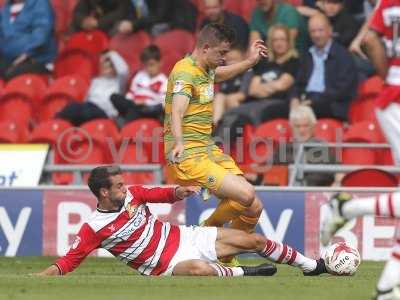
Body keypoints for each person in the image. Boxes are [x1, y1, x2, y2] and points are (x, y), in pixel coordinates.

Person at [35, 165, 328, 277]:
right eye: (119, 186)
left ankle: (311, 266)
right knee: (199, 270)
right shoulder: (94, 227)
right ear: (103, 192)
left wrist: (179, 191)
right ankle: (247, 274)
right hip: (167, 266)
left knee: (255, 240)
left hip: (186, 237)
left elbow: (161, 193)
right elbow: (68, 261)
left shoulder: (133, 195)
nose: (126, 189)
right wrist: (39, 280)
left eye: (124, 184)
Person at [164, 23, 268, 265]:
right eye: (221, 53)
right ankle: (205, 232)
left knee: (254, 207)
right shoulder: (185, 73)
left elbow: (219, 75)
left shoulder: (205, 69)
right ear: (206, 47)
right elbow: (177, 112)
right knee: (247, 193)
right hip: (188, 153)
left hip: (207, 149)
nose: (223, 59)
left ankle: (224, 256)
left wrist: (249, 63)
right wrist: (179, 142)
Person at [321, 1, 400, 298]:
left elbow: (368, 39)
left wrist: (389, 76)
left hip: (392, 96)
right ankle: (346, 208)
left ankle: (386, 288)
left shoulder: (390, 3)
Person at [290, 13, 357, 121]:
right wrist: (294, 98)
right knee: (271, 113)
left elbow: (342, 90)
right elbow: (298, 84)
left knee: (306, 113)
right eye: (313, 31)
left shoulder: (343, 55)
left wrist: (314, 101)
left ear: (330, 30)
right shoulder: (307, 55)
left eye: (320, 30)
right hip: (306, 100)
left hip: (331, 104)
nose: (316, 35)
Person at [57, 50, 129, 126]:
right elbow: (87, 98)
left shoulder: (118, 81)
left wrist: (109, 54)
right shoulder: (96, 81)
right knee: (73, 107)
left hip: (105, 113)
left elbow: (124, 70)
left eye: (110, 66)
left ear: (115, 68)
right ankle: (55, 125)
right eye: (104, 66)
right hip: (89, 108)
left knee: (84, 111)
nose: (106, 68)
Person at [274, 105, 336, 186]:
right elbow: (272, 173)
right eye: (297, 126)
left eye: (306, 126)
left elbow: (326, 176)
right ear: (291, 127)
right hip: (285, 193)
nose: (301, 130)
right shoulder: (283, 149)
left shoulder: (323, 149)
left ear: (313, 127)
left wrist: (302, 185)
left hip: (312, 193)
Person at [0, 0, 57, 80]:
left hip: (36, 60)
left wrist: (27, 54)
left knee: (11, 75)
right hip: (8, 59)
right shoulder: (4, 9)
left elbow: (41, 33)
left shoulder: (40, 4)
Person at [111, 45, 167, 123]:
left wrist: (145, 102)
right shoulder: (139, 75)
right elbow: (131, 93)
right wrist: (132, 102)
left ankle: (126, 124)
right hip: (134, 104)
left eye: (152, 65)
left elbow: (162, 103)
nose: (149, 68)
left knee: (136, 110)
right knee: (114, 97)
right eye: (146, 65)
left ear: (160, 63)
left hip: (148, 108)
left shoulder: (164, 81)